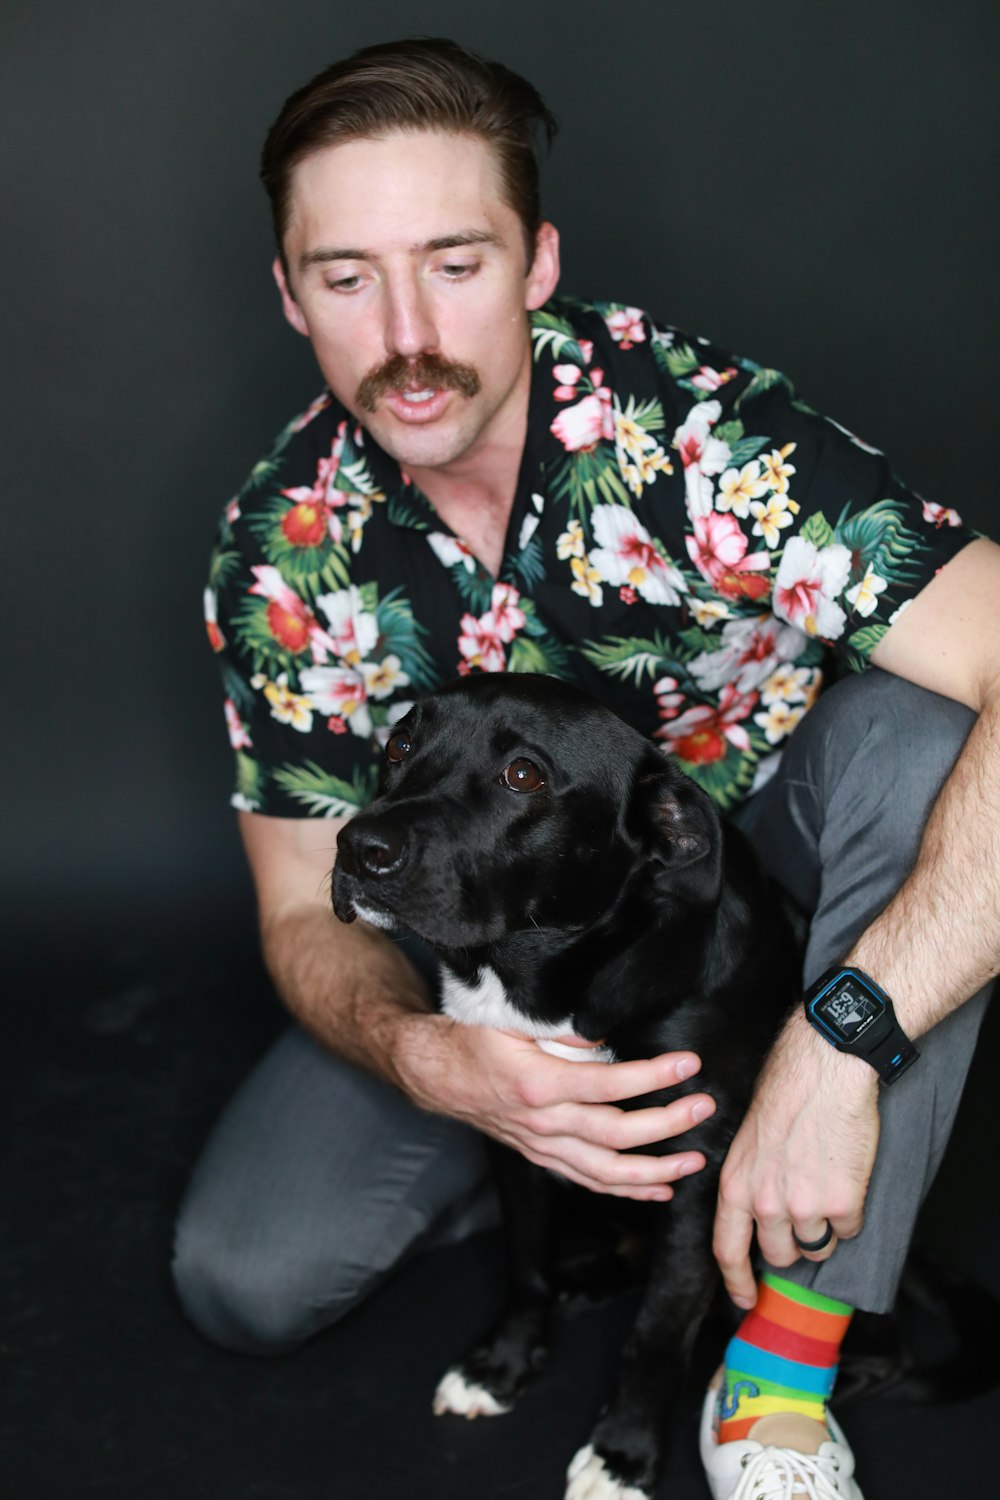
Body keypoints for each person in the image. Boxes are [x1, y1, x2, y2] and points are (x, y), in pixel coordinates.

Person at [177, 36, 999, 1500]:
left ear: (539, 263)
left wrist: (841, 1038)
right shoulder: (279, 550)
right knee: (248, 1276)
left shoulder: (696, 436)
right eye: (350, 277)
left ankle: (781, 1376)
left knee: (927, 735)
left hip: (784, 873)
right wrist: (434, 1062)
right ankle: (549, 1158)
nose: (408, 331)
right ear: (291, 294)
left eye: (456, 260)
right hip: (500, 950)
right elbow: (305, 911)